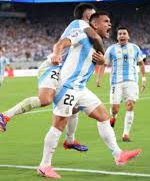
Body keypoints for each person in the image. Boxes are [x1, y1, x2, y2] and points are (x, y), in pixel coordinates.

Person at [37, 12, 142, 179]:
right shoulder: (81, 35)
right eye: (106, 21)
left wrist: (101, 62)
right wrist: (57, 53)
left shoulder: (97, 46)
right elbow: (61, 43)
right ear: (95, 25)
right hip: (67, 87)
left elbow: (101, 63)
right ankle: (44, 165)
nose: (109, 25)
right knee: (59, 124)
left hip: (80, 88)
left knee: (103, 115)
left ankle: (118, 154)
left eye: (110, 22)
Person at [0, 3, 105, 152]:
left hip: (63, 72)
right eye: (93, 15)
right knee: (45, 100)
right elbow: (64, 43)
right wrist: (58, 55)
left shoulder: (82, 33)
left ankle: (70, 141)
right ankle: (5, 115)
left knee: (74, 106)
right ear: (86, 16)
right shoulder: (79, 24)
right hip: (53, 66)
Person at [96, 27, 146, 142]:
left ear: (128, 36)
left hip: (132, 81)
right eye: (120, 34)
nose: (122, 36)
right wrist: (99, 78)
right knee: (115, 108)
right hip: (116, 82)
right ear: (117, 37)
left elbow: (141, 63)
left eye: (124, 34)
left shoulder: (135, 48)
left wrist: (143, 79)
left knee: (130, 105)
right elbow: (104, 64)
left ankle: (125, 134)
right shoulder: (111, 49)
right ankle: (113, 117)